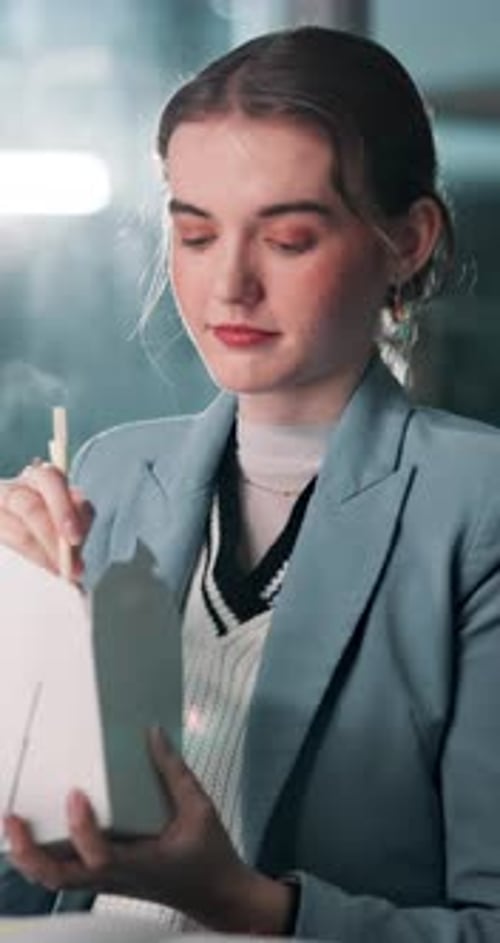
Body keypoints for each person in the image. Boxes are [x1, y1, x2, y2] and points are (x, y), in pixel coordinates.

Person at [1, 24, 500, 942]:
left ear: (408, 240)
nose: (229, 283)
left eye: (289, 238)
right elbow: (32, 864)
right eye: (194, 233)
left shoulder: (477, 507)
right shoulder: (111, 472)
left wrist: (239, 901)